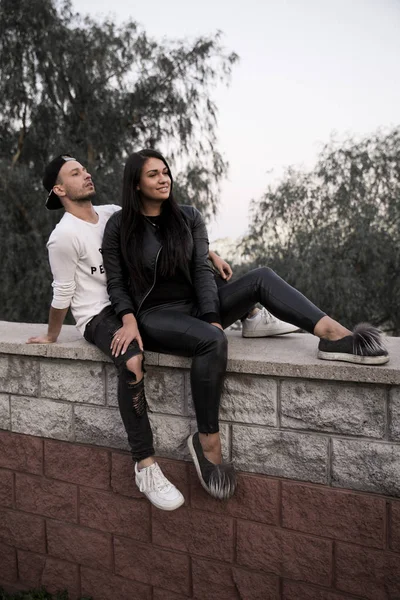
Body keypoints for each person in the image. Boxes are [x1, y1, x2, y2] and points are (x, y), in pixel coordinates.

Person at [101, 149, 389, 501]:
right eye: (153, 175)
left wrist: (212, 317)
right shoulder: (120, 226)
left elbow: (202, 274)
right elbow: (115, 282)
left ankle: (334, 335)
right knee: (211, 342)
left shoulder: (188, 217)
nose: (164, 179)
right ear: (136, 183)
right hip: (156, 315)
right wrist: (129, 321)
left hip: (195, 306)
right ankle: (207, 442)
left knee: (261, 278)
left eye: (166, 172)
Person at [25, 154, 240, 511]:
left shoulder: (110, 213)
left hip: (132, 304)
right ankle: (145, 464)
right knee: (132, 361)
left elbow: (169, 230)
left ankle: (253, 315)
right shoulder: (62, 237)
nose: (86, 174)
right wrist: (51, 335)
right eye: (75, 173)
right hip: (98, 314)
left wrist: (210, 254)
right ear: (59, 189)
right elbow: (62, 293)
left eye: (85, 169)